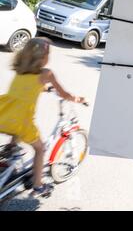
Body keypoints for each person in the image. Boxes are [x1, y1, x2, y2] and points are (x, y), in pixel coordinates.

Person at [0, 37, 85, 197]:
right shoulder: (47, 74)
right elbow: (65, 94)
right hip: (20, 121)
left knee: (16, 126)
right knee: (40, 149)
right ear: (43, 58)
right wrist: (78, 99)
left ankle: (11, 151)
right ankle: (38, 186)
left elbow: (26, 88)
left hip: (4, 113)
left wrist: (43, 89)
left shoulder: (21, 70)